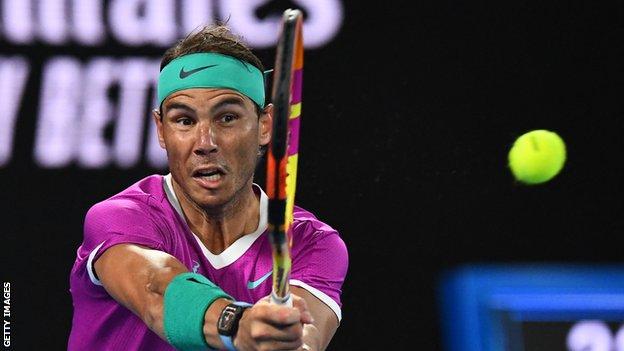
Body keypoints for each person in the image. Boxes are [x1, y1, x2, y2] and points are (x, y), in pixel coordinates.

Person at [67, 24, 348, 351]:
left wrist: (285, 342)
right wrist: (240, 326)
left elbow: (306, 338)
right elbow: (156, 287)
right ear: (161, 130)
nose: (205, 143)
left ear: (265, 126)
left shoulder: (313, 243)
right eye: (184, 121)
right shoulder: (117, 219)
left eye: (226, 118)